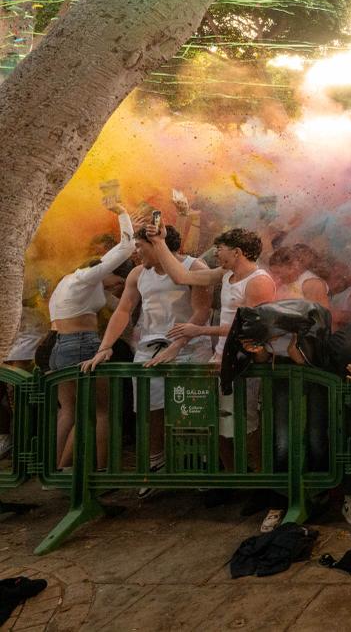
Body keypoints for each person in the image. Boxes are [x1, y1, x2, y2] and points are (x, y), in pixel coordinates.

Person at [146, 225, 276, 523]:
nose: (216, 253)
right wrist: (159, 241)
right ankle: (232, 480)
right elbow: (182, 276)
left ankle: (260, 486)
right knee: (218, 422)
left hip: (246, 365)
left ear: (237, 251)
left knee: (248, 424)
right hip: (220, 361)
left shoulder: (259, 281)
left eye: (221, 248)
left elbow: (253, 329)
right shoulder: (225, 275)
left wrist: (199, 330)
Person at [82, 224, 213, 492]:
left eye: (140, 246)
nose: (136, 252)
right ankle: (156, 464)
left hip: (189, 347)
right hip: (149, 348)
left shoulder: (194, 266)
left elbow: (201, 311)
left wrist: (177, 345)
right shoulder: (137, 273)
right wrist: (105, 347)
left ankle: (200, 466)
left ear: (156, 243)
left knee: (193, 408)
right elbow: (123, 310)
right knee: (150, 409)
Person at [49, 204, 137, 469]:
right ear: (104, 271)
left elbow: (119, 309)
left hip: (59, 346)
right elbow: (126, 248)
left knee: (70, 412)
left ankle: (56, 470)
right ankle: (101, 471)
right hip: (81, 345)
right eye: (116, 278)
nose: (119, 283)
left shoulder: (70, 282)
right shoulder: (88, 277)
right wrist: (122, 213)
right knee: (101, 411)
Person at [268, 245, 330, 309]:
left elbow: (320, 316)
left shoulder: (312, 284)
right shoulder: (282, 282)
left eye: (278, 272)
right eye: (273, 273)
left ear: (292, 267)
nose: (277, 277)